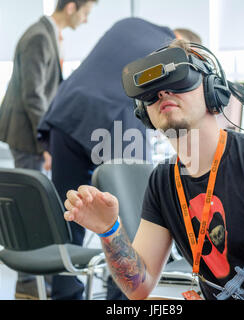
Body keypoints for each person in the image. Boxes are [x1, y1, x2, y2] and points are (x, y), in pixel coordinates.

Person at [62, 39, 244, 300]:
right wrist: (109, 230)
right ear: (144, 113)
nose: (163, 93)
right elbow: (139, 286)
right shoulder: (163, 182)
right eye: (151, 92)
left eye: (179, 81)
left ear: (213, 90)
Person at [37, 17, 181, 300]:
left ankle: (65, 295)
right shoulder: (171, 47)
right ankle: (120, 298)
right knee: (128, 218)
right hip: (113, 118)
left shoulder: (128, 24)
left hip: (68, 112)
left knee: (71, 212)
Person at [0, 0, 96, 299]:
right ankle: (29, 284)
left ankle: (38, 282)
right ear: (73, 7)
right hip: (26, 136)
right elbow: (33, 96)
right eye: (86, 13)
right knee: (29, 209)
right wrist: (46, 141)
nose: (86, 20)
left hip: (30, 135)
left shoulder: (49, 35)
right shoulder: (39, 35)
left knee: (34, 206)